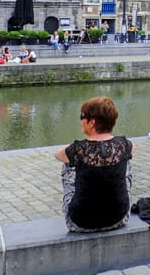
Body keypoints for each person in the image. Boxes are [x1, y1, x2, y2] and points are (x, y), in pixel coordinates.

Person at [54, 96, 134, 232]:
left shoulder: (78, 149)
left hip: (79, 223)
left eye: (82, 117)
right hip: (119, 218)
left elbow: (58, 154)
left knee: (68, 163)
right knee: (126, 159)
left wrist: (81, 146)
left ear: (91, 122)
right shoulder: (125, 144)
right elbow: (133, 148)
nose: (80, 120)